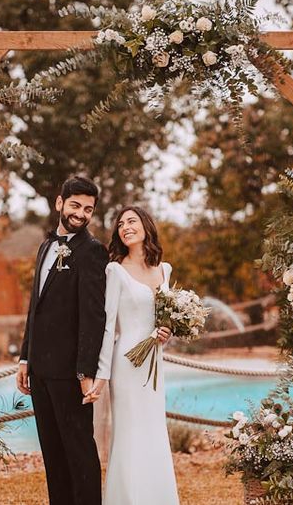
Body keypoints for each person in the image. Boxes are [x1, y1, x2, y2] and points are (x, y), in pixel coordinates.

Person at [16, 176, 108, 505]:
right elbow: (35, 307)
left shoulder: (93, 252)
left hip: (70, 374)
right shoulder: (44, 247)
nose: (81, 214)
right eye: (75, 205)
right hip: (40, 371)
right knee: (53, 457)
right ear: (59, 203)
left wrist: (85, 373)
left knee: (79, 454)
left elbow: (94, 317)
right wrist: (25, 358)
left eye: (88, 209)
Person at [85, 205, 179, 505]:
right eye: (121, 223)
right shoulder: (115, 270)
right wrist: (101, 375)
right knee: (129, 432)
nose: (125, 226)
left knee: (153, 429)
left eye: (132, 221)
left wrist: (167, 331)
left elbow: (166, 319)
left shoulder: (165, 270)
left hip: (154, 362)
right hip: (126, 363)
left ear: (146, 226)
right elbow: (108, 325)